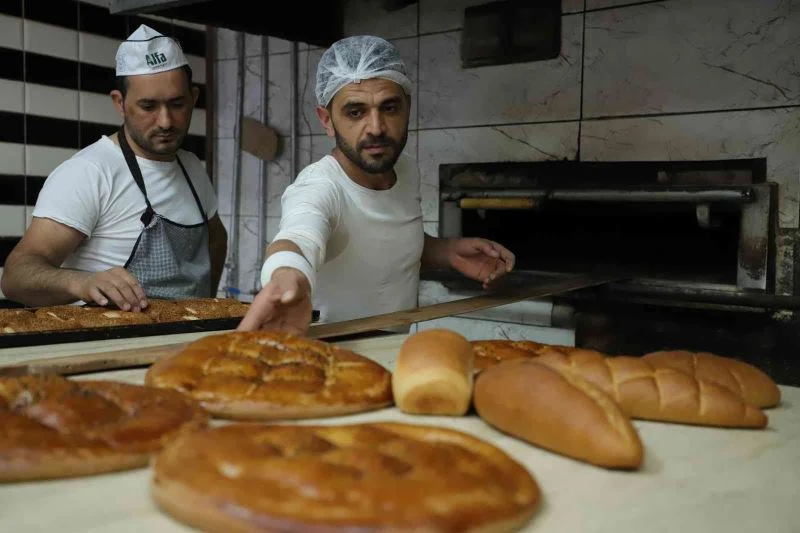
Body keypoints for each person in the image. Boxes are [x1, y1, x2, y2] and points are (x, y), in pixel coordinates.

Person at [237, 35, 515, 334]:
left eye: (389, 108)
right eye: (355, 112)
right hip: (332, 364)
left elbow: (382, 241)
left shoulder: (405, 169)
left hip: (390, 355)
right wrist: (286, 273)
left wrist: (447, 251)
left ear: (407, 107)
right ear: (326, 120)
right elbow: (299, 235)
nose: (376, 128)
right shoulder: (320, 186)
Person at [0, 24, 227, 312]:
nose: (166, 121)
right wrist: (80, 283)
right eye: (148, 107)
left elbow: (217, 239)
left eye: (177, 104)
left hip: (188, 346)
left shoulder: (192, 168)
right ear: (120, 103)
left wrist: (207, 307)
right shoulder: (90, 172)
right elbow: (16, 277)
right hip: (115, 349)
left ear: (193, 98)